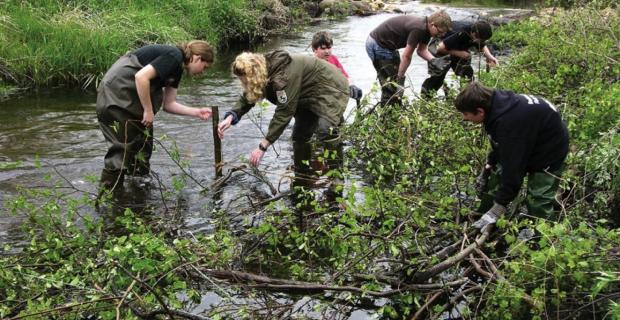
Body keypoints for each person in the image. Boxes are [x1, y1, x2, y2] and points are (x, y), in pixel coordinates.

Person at [96, 40, 214, 195]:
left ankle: (136, 194)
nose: (202, 72)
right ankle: (107, 197)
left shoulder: (177, 70)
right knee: (122, 149)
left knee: (143, 146)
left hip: (129, 100)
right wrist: (148, 110)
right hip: (116, 95)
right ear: (197, 58)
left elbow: (169, 104)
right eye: (204, 67)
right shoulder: (174, 56)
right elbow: (141, 77)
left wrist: (196, 112)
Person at [454, 82, 569, 230]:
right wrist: (488, 167)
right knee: (496, 176)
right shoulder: (496, 105)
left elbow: (514, 170)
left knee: (538, 199)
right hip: (529, 138)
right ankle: (481, 214)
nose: (465, 118)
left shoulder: (508, 122)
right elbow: (500, 144)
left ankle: (548, 239)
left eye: (466, 114)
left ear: (480, 111)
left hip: (549, 150)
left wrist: (500, 207)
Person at [217, 50, 349, 168]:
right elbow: (249, 95)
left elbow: (284, 112)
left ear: (254, 75)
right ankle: (303, 174)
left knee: (326, 130)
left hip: (330, 87)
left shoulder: (282, 79)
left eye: (246, 81)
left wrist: (263, 146)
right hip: (305, 94)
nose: (245, 84)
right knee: (299, 136)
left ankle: (336, 175)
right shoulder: (263, 69)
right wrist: (231, 116)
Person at [366, 10, 452, 107]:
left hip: (389, 46)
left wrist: (434, 60)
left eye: (444, 33)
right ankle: (387, 116)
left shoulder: (427, 30)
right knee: (391, 85)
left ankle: (395, 109)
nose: (441, 35)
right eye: (440, 32)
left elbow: (421, 50)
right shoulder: (419, 29)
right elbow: (406, 56)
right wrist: (400, 79)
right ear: (432, 24)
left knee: (395, 81)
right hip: (378, 44)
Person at [421, 20, 499, 98]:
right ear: (474, 34)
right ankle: (425, 98)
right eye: (481, 40)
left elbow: (482, 44)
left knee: (467, 74)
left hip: (457, 47)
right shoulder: (461, 33)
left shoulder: (477, 30)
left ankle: (466, 98)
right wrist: (459, 53)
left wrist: (489, 56)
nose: (482, 42)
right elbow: (439, 48)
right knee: (437, 78)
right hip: (440, 47)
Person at [311, 31, 363, 103]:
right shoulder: (311, 65)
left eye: (329, 48)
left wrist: (352, 86)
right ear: (314, 49)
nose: (327, 51)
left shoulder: (333, 59)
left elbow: (345, 77)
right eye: (323, 48)